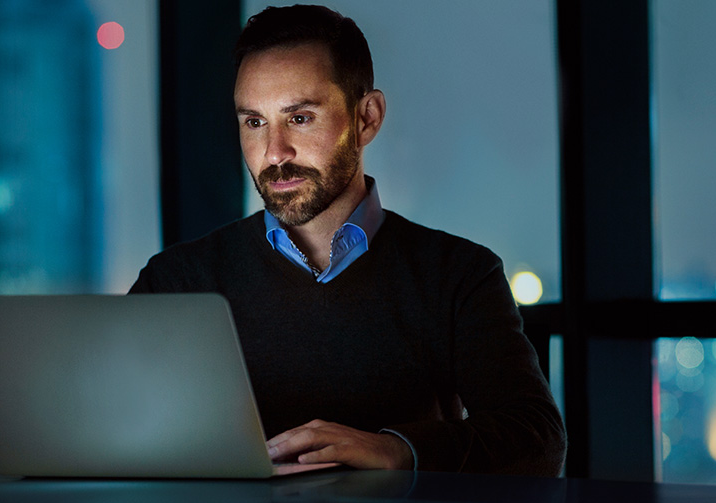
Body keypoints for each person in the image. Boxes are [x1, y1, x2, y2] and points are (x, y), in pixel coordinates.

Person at [129, 4, 565, 476]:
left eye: (299, 118)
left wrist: (396, 450)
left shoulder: (459, 274)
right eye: (254, 122)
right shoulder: (175, 279)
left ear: (367, 118)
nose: (274, 153)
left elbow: (536, 438)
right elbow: (106, 431)